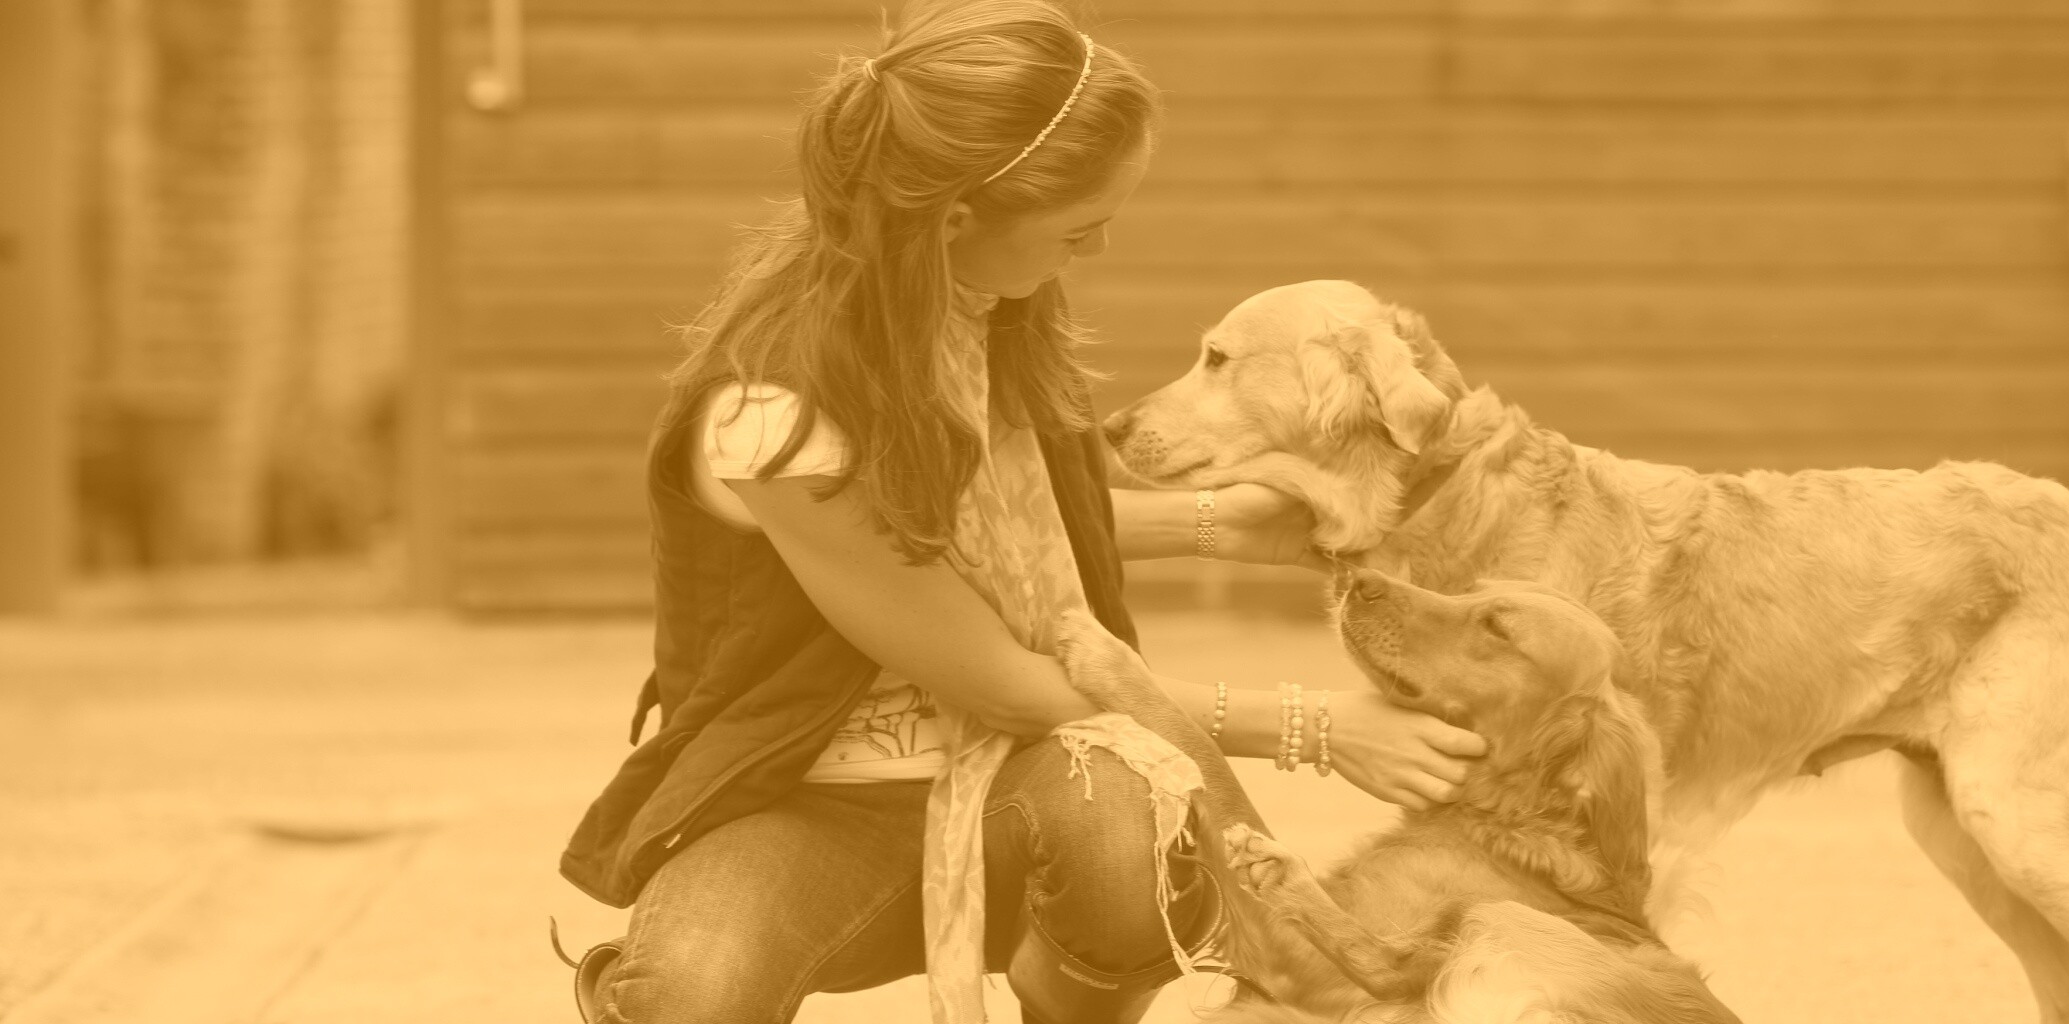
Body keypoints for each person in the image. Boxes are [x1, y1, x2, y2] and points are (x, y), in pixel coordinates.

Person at [551, 4, 1487, 1022]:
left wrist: (1219, 525)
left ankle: (1067, 990)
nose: (1099, 246)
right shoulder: (772, 416)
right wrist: (1311, 727)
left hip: (1020, 786)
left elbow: (980, 544)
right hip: (807, 804)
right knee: (693, 990)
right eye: (1078, 229)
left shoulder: (981, 304)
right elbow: (1004, 680)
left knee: (1124, 835)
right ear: (955, 220)